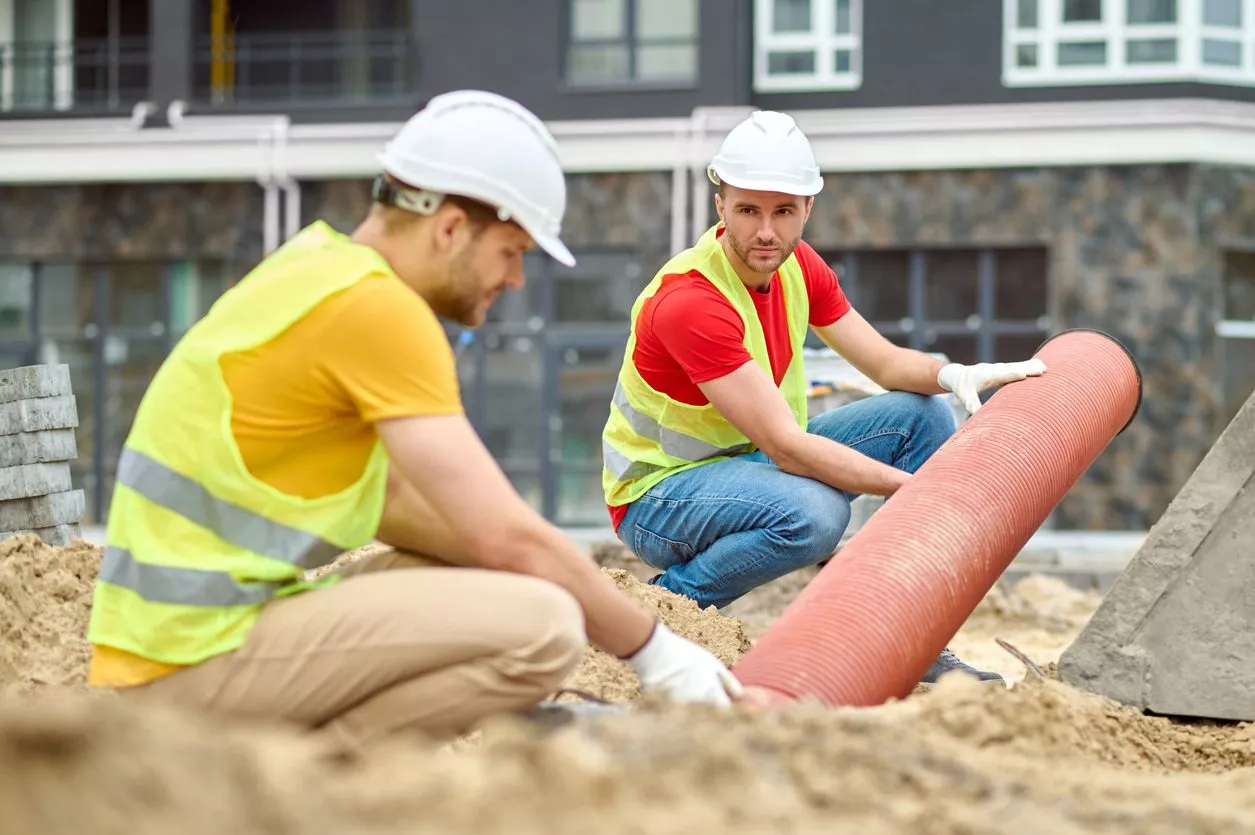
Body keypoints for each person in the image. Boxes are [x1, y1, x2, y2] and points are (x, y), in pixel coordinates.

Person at [84, 90, 741, 753]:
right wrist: (657, 653)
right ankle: (302, 776)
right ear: (450, 227)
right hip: (189, 666)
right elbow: (502, 533)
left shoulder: (319, 270)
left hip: (174, 649)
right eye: (511, 251)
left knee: (506, 583)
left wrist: (547, 571)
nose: (515, 279)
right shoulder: (376, 311)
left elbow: (413, 511)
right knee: (542, 626)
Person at [600, 110, 1047, 685]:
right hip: (659, 498)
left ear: (808, 208)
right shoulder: (691, 300)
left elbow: (885, 364)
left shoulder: (798, 268)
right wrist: (915, 491)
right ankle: (664, 610)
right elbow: (787, 449)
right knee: (815, 515)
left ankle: (909, 635)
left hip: (748, 466)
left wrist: (954, 374)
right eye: (748, 210)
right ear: (721, 206)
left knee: (923, 414)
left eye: (783, 211)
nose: (766, 231)